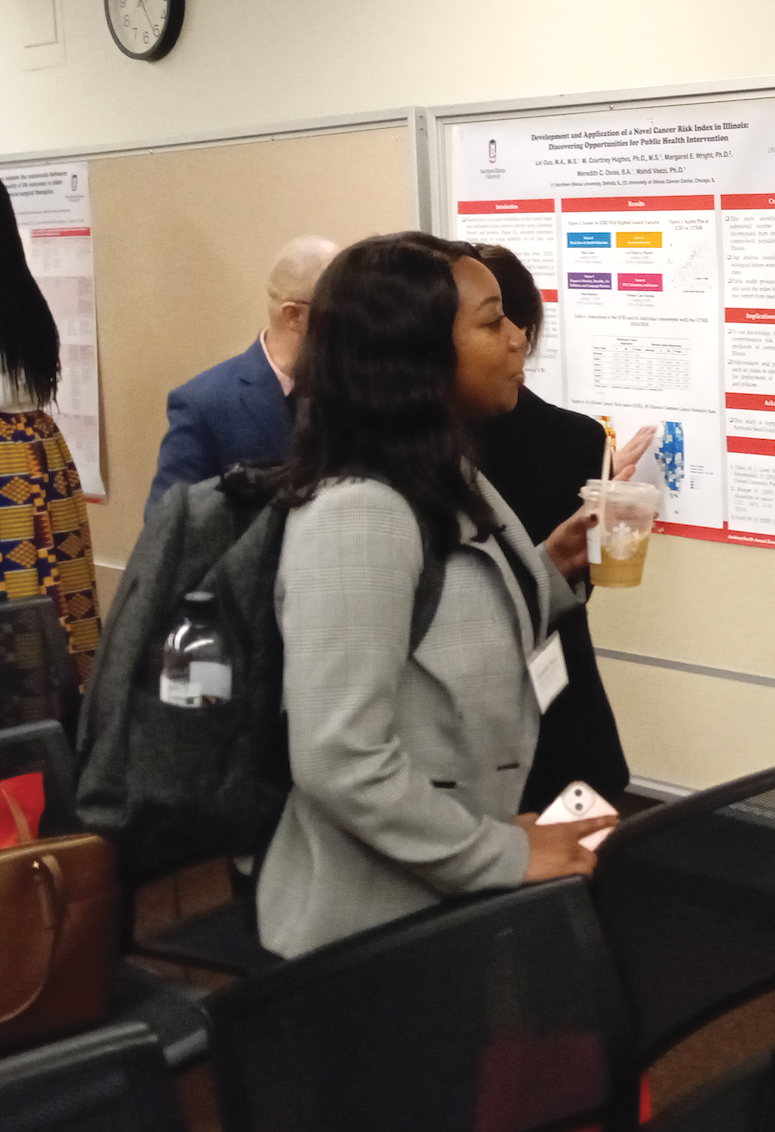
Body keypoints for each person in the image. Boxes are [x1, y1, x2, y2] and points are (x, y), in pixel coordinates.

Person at [256, 232, 614, 958]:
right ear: (415, 352)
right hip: (366, 934)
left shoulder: (446, 474)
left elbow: (452, 628)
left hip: (436, 898)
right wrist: (504, 855)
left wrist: (548, 567)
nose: (518, 338)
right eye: (491, 322)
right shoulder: (360, 512)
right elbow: (339, 759)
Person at [469, 243, 649, 814]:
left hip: (530, 723)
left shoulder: (576, 441)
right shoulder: (412, 466)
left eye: (510, 322)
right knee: (571, 884)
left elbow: (577, 576)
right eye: (491, 322)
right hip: (544, 725)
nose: (516, 339)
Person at [144, 235, 337, 519]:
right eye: (342, 306)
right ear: (295, 315)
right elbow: (167, 527)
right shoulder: (204, 403)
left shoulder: (354, 390)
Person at [0, 177, 101, 687]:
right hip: (42, 450)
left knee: (15, 598)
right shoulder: (25, 296)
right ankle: (60, 708)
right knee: (55, 584)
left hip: (2, 464)